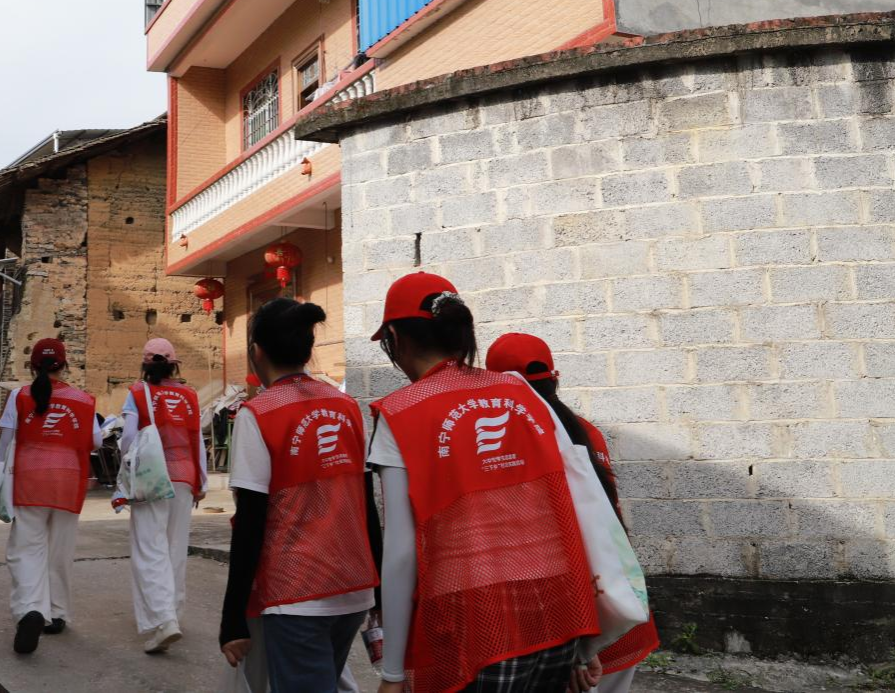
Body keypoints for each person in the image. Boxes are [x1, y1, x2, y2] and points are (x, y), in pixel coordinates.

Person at [367, 272, 602, 693]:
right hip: (559, 610)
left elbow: (400, 552)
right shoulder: (520, 390)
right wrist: (588, 639)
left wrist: (393, 673)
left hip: (475, 620)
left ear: (395, 339)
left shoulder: (398, 413)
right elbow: (579, 501)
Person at [220, 298, 380, 693]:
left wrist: (232, 618)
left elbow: (251, 522)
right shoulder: (347, 406)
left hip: (297, 594)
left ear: (257, 351)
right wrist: (378, 589)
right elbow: (367, 506)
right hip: (354, 590)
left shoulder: (258, 414)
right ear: (308, 350)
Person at [485, 333, 660, 693]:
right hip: (623, 613)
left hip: (578, 635)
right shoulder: (585, 430)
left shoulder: (514, 447)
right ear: (556, 378)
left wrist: (577, 648)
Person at [0, 338, 100, 656]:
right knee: (60, 550)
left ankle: (31, 609)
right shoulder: (83, 400)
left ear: (32, 365)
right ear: (64, 365)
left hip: (29, 481)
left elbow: (6, 442)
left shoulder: (20, 396)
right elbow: (95, 441)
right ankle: (57, 613)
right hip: (68, 481)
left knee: (25, 550)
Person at [118, 337, 208, 653]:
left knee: (149, 548)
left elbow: (128, 437)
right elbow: (197, 441)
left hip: (151, 477)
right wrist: (201, 482)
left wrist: (127, 466)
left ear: (145, 364)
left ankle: (163, 619)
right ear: (174, 365)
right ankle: (174, 612)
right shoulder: (190, 395)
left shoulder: (138, 393)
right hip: (184, 476)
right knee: (175, 548)